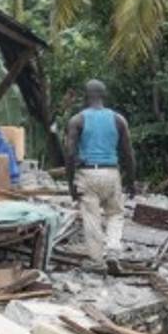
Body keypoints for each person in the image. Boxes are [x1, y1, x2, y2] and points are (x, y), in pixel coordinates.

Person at [64, 79, 136, 262]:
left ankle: (97, 260)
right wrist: (131, 180)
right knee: (115, 213)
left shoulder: (77, 120)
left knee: (91, 218)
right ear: (104, 95)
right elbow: (128, 153)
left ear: (86, 96)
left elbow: (70, 154)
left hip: (88, 174)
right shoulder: (118, 119)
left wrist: (70, 184)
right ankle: (112, 250)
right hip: (111, 172)